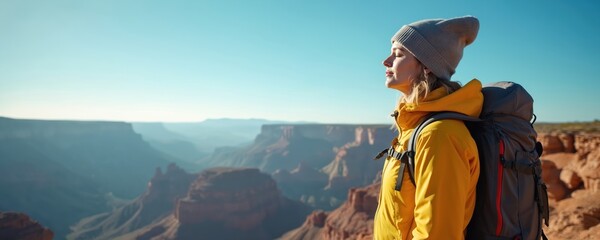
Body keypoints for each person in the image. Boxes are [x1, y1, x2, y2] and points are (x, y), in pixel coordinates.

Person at [373, 16, 483, 239]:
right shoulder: (415, 127)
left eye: (398, 54)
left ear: (427, 66)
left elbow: (437, 234)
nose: (386, 61)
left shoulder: (438, 137)